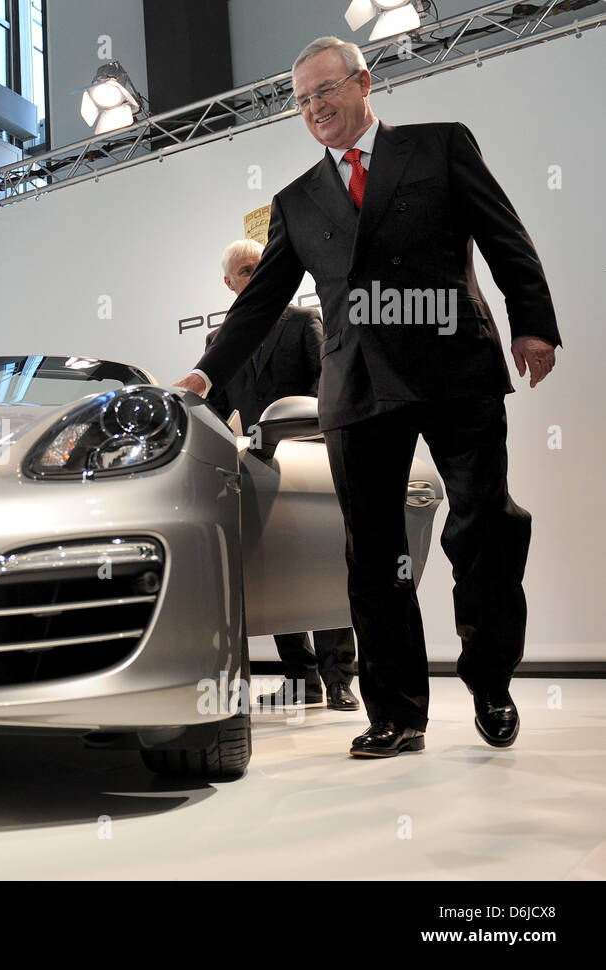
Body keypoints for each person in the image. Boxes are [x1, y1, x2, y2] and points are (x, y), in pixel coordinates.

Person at [173, 36, 560, 758]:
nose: (315, 108)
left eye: (325, 91)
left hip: (456, 367)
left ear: (363, 81)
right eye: (302, 101)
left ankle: (490, 677)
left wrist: (532, 323)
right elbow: (259, 306)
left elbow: (505, 236)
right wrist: (205, 375)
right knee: (373, 554)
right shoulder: (295, 200)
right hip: (357, 386)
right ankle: (396, 712)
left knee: (484, 527)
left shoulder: (439, 146)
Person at [207, 238, 359, 712]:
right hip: (257, 466)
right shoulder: (217, 342)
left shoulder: (301, 320)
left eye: (259, 267)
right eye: (244, 271)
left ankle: (339, 680)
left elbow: (325, 385)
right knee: (277, 568)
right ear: (229, 284)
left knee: (325, 563)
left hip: (312, 460)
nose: (254, 276)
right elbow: (214, 409)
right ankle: (301, 679)